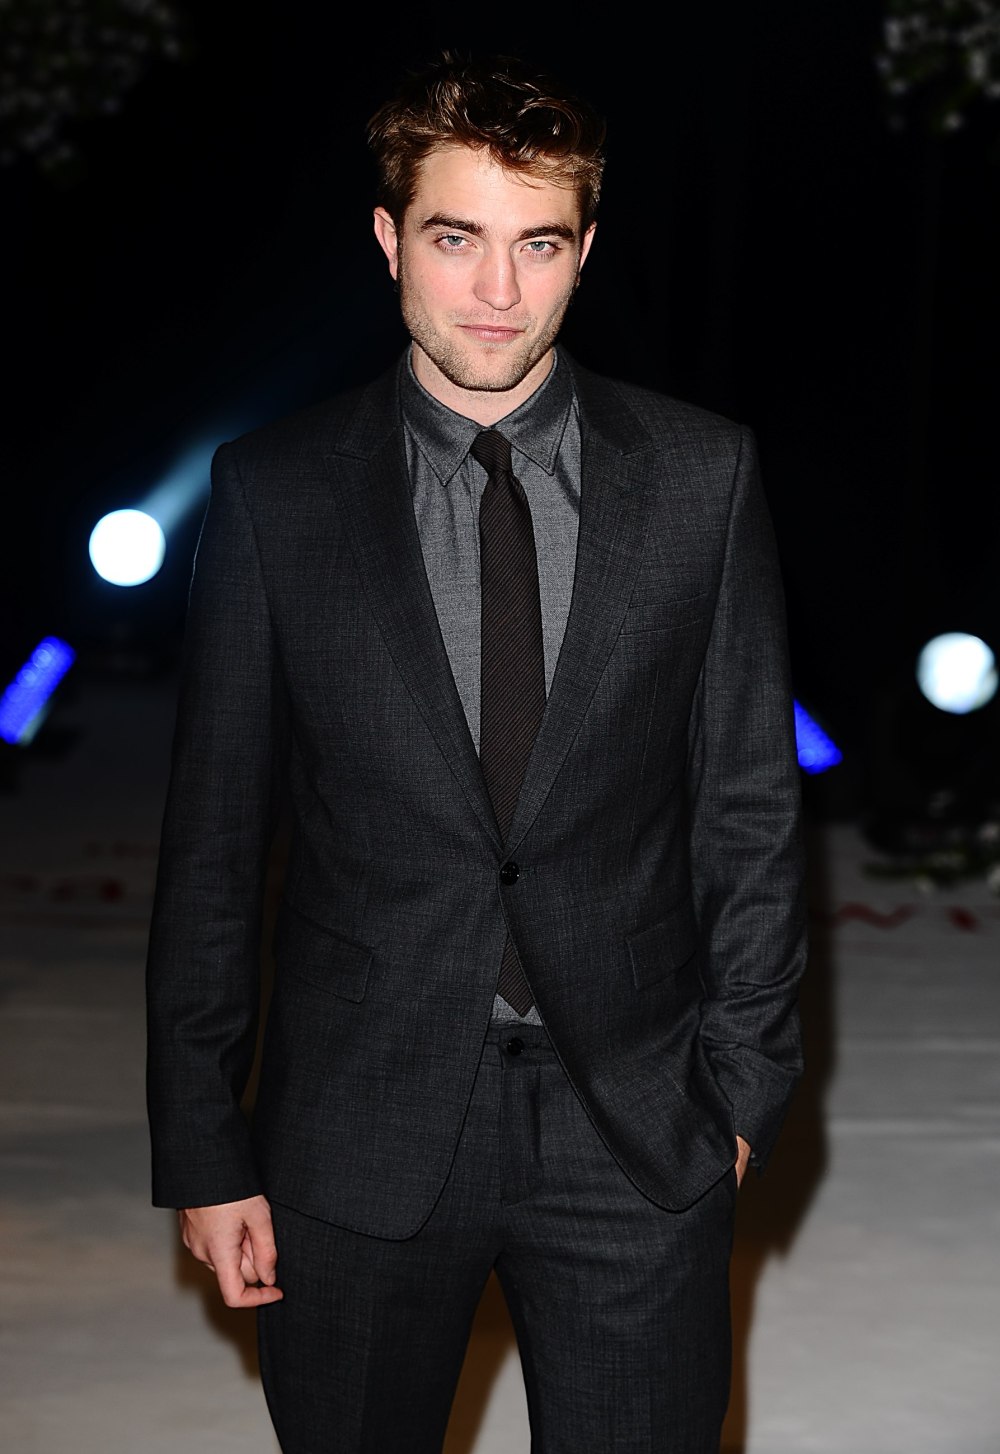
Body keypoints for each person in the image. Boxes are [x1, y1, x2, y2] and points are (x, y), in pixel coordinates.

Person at [146, 50, 807, 1454]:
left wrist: (742, 1091)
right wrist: (204, 1144)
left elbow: (749, 805)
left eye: (539, 244)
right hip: (355, 1125)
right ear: (390, 239)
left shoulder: (703, 476)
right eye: (457, 239)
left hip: (637, 1124)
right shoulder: (274, 493)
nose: (497, 289)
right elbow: (213, 843)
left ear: (585, 253)